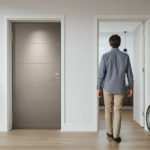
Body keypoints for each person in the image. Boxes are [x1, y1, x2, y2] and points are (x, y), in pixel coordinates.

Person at [96, 34, 133, 143]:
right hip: (120, 88)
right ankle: (116, 136)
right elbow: (130, 74)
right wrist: (131, 87)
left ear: (110, 44)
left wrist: (98, 87)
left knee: (108, 110)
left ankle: (110, 133)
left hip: (107, 87)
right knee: (117, 111)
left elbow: (101, 74)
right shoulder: (125, 56)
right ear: (120, 44)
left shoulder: (105, 56)